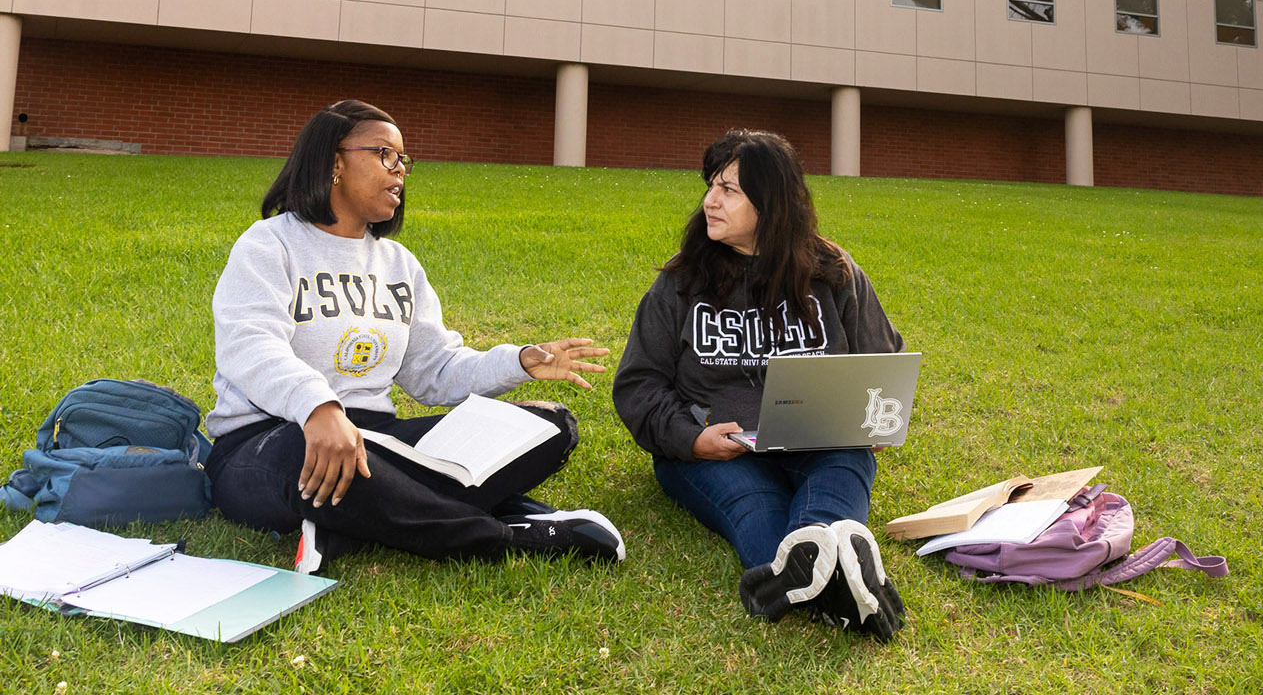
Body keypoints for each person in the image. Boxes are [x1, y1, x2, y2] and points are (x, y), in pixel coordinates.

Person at [207, 99, 625, 575]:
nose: (400, 170)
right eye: (385, 154)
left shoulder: (399, 265)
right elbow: (251, 346)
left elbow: (436, 373)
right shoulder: (269, 244)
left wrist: (521, 361)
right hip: (270, 442)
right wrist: (318, 409)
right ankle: (510, 536)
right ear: (334, 161)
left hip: (379, 441)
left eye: (404, 160)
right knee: (323, 455)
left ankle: (351, 521)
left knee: (550, 427)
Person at [613, 129, 908, 640]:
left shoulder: (832, 272)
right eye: (711, 185)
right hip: (717, 451)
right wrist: (691, 439)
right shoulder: (681, 282)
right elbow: (638, 384)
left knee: (842, 470)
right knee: (756, 508)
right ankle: (847, 577)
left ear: (771, 203)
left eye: (729, 190)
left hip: (821, 441)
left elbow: (884, 360)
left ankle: (813, 571)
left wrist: (879, 418)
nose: (710, 200)